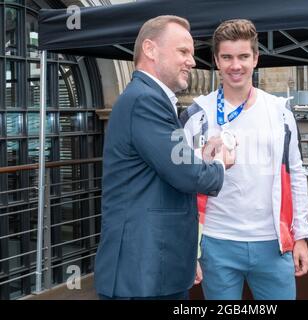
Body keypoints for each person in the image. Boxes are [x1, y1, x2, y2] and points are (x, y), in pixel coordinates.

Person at [94, 15, 234, 300]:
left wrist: (200, 155)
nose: (192, 62)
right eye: (183, 51)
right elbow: (185, 174)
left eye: (191, 54)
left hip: (156, 270)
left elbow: (164, 165)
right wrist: (220, 163)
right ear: (150, 49)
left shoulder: (147, 98)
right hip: (143, 276)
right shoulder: (146, 100)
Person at [181, 19, 308, 300]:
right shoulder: (196, 115)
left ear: (255, 58)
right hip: (216, 243)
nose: (235, 65)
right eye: (227, 57)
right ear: (216, 60)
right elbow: (180, 186)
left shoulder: (280, 112)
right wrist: (189, 248)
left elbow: (296, 175)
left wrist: (300, 235)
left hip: (273, 243)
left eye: (243, 56)